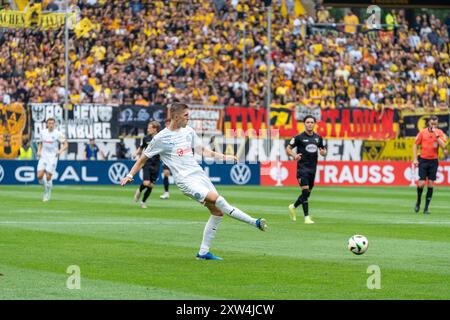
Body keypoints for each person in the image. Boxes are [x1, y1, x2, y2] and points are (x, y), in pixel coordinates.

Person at [120, 103, 267, 260]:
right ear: (176, 117)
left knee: (217, 212)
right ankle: (255, 222)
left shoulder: (188, 131)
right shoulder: (160, 138)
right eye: (186, 115)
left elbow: (202, 151)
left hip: (199, 175)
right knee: (218, 200)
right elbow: (143, 158)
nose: (188, 118)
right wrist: (130, 175)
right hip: (186, 181)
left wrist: (225, 157)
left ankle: (203, 252)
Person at [286, 115, 327, 224]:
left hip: (312, 170)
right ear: (304, 124)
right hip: (302, 169)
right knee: (304, 191)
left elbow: (323, 150)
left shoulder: (318, 138)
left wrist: (323, 153)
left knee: (307, 194)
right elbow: (288, 148)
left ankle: (293, 206)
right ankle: (306, 217)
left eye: (311, 122)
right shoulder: (298, 137)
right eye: (307, 122)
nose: (309, 124)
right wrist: (294, 155)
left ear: (314, 124)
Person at [413, 115, 447, 214]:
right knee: (422, 183)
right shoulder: (422, 132)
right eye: (432, 123)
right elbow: (415, 144)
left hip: (433, 161)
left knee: (431, 183)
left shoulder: (440, 133)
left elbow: (444, 146)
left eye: (435, 123)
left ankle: (426, 208)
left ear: (437, 123)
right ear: (429, 123)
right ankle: (418, 201)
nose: (433, 125)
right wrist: (415, 159)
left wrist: (436, 135)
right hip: (423, 160)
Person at [36, 118, 68, 202]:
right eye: (49, 123)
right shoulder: (43, 132)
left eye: (52, 123)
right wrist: (39, 151)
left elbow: (66, 144)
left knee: (48, 177)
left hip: (53, 157)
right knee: (39, 176)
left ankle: (47, 192)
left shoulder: (58, 134)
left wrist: (60, 151)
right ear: (47, 124)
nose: (51, 125)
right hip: (43, 156)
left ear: (54, 124)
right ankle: (47, 187)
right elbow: (40, 143)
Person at [132, 121, 162, 209]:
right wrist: (136, 153)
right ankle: (139, 190)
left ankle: (143, 202)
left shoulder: (161, 138)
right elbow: (141, 148)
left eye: (150, 128)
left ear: (155, 129)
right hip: (147, 162)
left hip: (156, 163)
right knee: (146, 182)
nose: (148, 129)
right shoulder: (146, 138)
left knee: (151, 185)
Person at [160, 118, 172, 200]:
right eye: (166, 124)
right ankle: (166, 192)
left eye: (168, 123)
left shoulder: (177, 132)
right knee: (166, 173)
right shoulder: (163, 134)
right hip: (167, 157)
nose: (167, 125)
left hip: (178, 157)